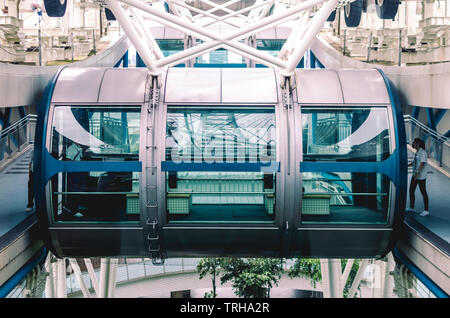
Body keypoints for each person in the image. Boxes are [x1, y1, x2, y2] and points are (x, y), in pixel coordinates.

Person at [406, 138, 429, 216]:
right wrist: (407, 165)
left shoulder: (423, 152)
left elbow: (422, 164)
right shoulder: (417, 152)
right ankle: (411, 207)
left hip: (420, 176)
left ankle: (426, 210)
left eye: (414, 143)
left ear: (418, 143)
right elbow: (414, 162)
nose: (413, 144)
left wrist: (417, 173)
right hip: (415, 175)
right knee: (411, 190)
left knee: (423, 192)